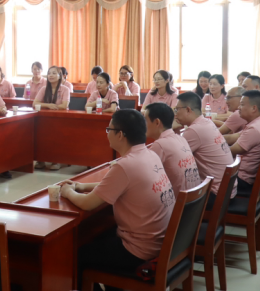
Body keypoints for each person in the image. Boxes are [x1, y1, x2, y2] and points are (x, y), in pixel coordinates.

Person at [60, 110, 175, 291]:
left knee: (75, 256)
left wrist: (67, 192)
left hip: (138, 250)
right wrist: (82, 186)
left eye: (109, 129)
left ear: (120, 135)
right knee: (97, 236)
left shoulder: (125, 165)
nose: (107, 134)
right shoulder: (149, 155)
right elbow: (121, 184)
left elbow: (87, 204)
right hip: (159, 242)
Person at [175, 92, 236, 208]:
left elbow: (175, 159)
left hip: (215, 194)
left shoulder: (194, 130)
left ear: (188, 110)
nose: (175, 114)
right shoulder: (206, 122)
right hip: (228, 190)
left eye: (177, 109)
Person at [144, 103, 201, 191]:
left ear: (157, 122)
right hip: (194, 196)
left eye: (145, 120)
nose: (143, 125)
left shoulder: (160, 145)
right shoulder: (181, 138)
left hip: (178, 198)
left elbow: (144, 175)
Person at [228, 90, 260, 197]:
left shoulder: (254, 129)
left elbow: (229, 152)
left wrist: (210, 147)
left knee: (205, 174)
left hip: (242, 180)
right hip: (246, 176)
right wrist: (214, 139)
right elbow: (233, 137)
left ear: (254, 108)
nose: (238, 107)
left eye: (242, 104)